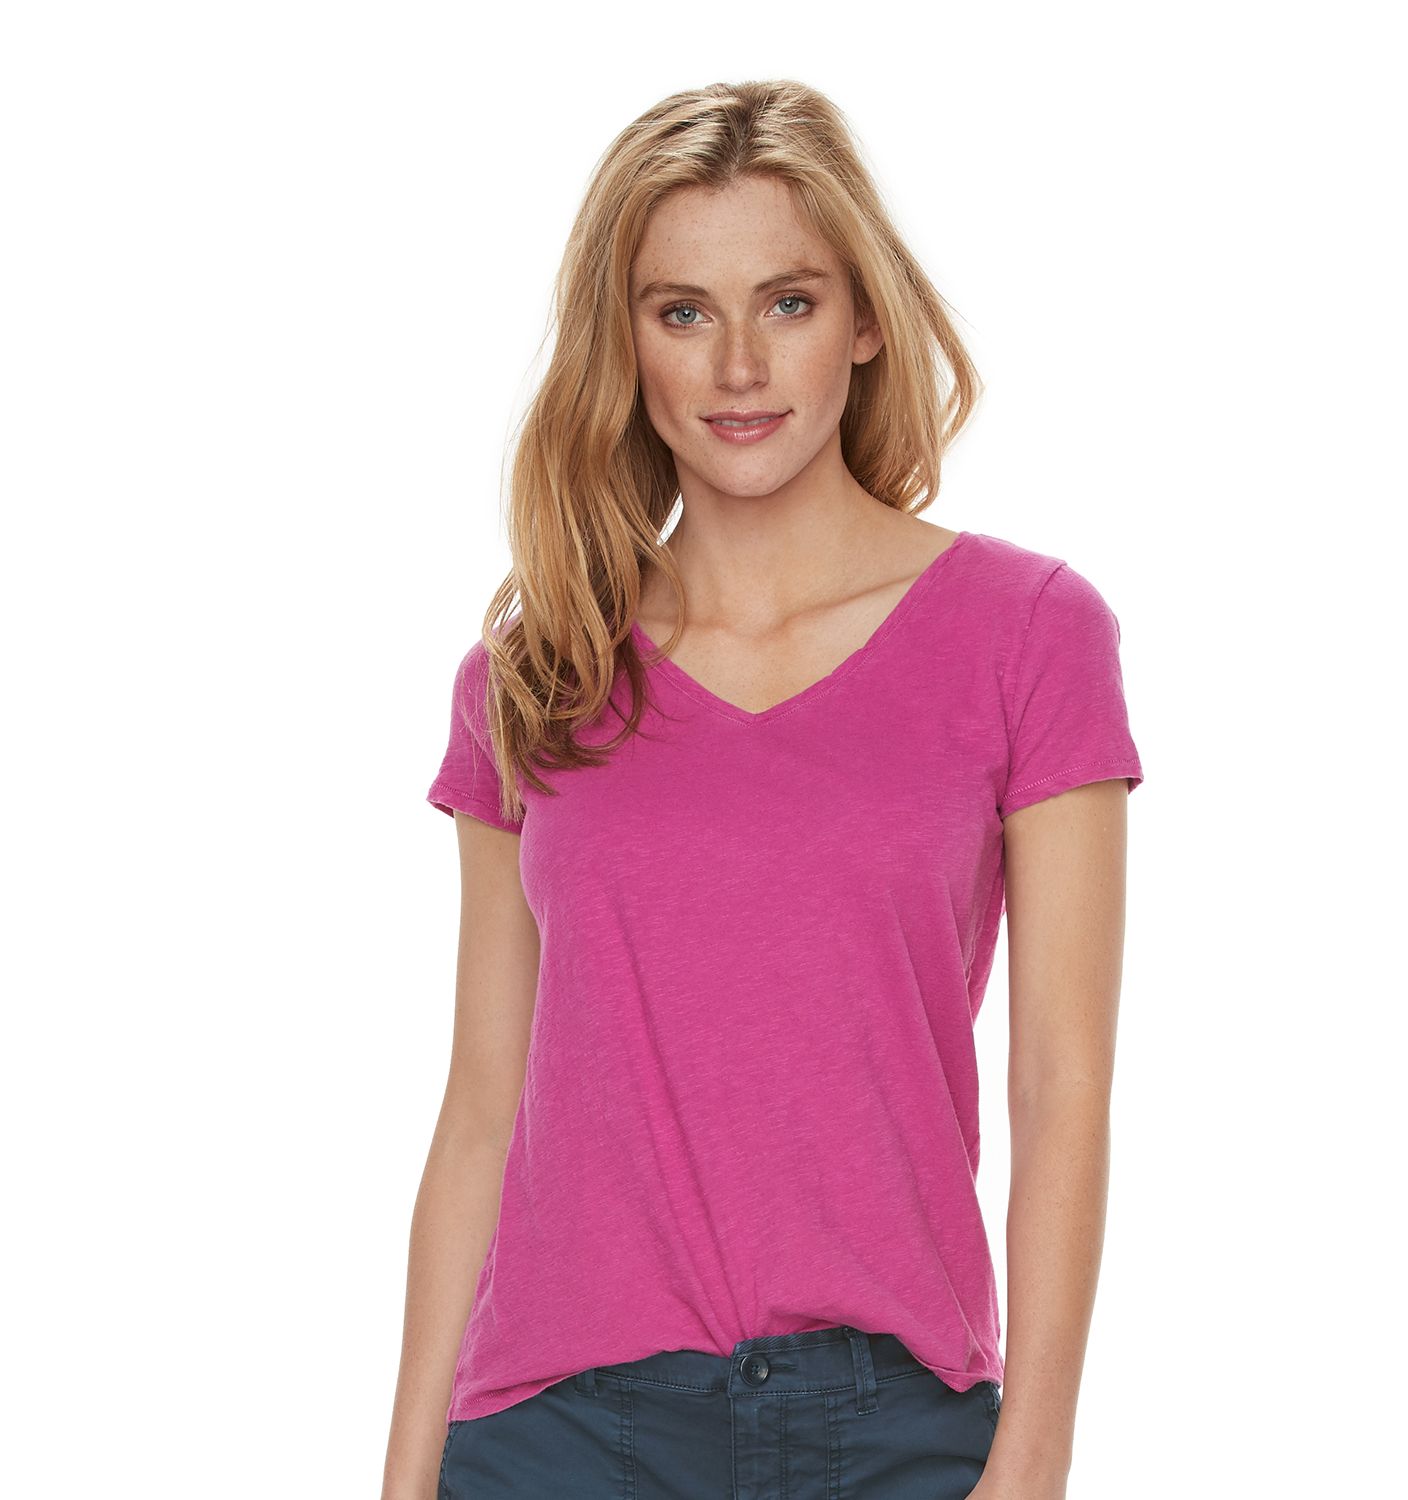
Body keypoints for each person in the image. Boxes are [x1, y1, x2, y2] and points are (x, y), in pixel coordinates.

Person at [383, 79, 1144, 1500]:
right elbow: (483, 1102)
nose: (738, 364)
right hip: (560, 1434)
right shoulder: (532, 675)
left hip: (896, 1426)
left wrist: (1033, 1463)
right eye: (682, 312)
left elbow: (1064, 1084)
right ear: (626, 346)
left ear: (864, 321)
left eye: (787, 302)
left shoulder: (1029, 635)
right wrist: (402, 1475)